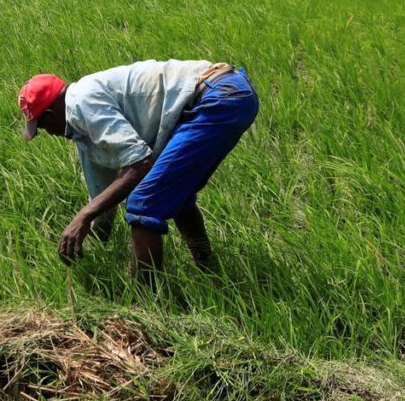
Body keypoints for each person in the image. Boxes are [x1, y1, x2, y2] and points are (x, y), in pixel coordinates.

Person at [19, 60, 258, 285]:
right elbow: (101, 196)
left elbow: (140, 164)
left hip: (218, 98)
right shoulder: (82, 129)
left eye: (41, 126)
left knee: (144, 202)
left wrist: (81, 217)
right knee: (175, 193)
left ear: (50, 115)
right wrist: (86, 237)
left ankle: (143, 303)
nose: (48, 133)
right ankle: (209, 272)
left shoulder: (83, 105)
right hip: (228, 95)